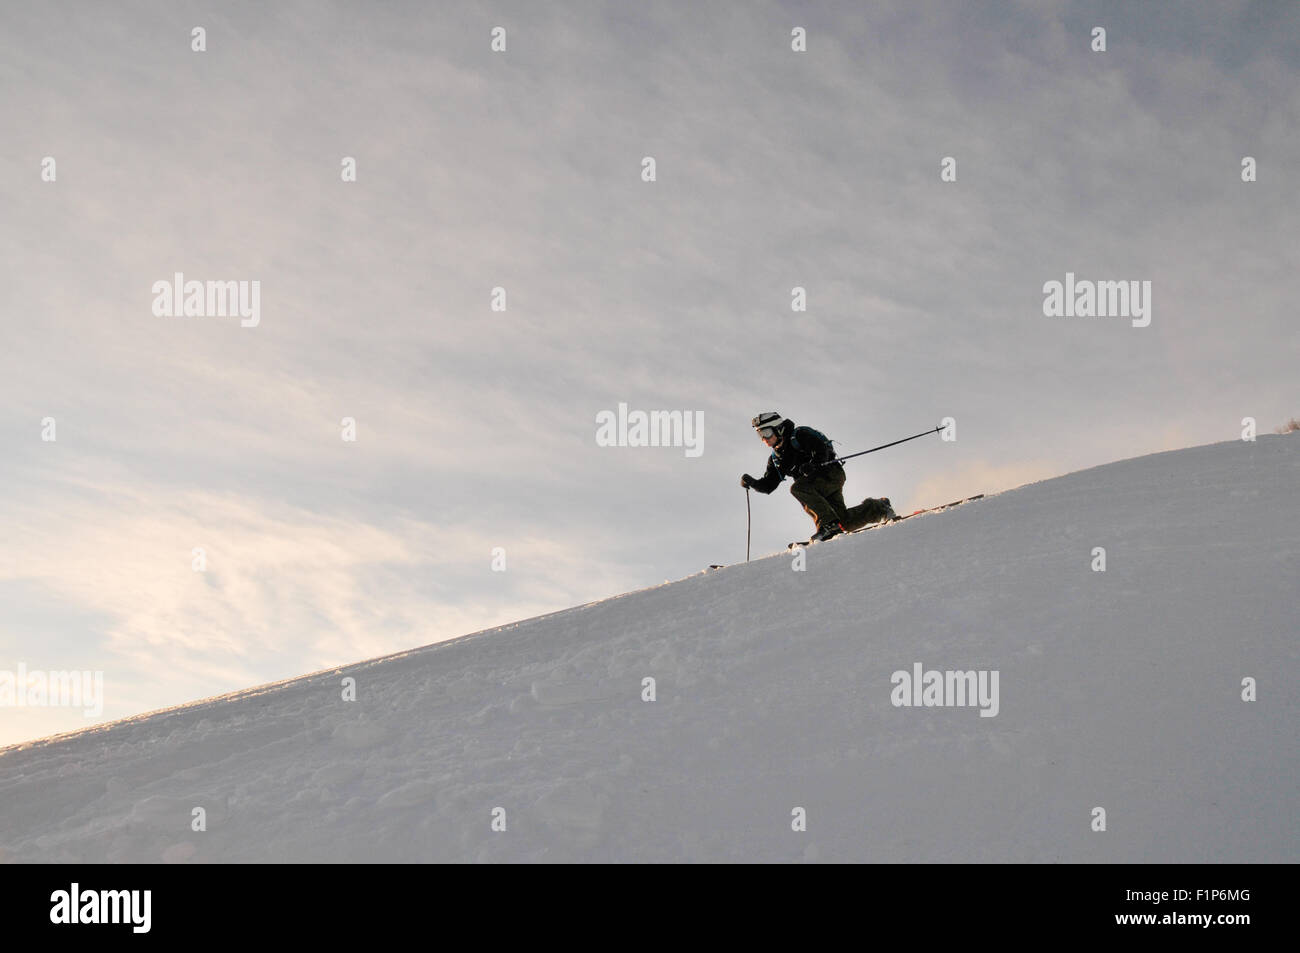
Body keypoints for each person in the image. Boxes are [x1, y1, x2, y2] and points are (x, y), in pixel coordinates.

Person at [740, 412, 896, 542]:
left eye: (766, 433)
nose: (764, 439)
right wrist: (752, 482)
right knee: (844, 522)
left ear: (778, 428)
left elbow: (820, 449)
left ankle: (828, 526)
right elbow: (768, 485)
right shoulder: (776, 458)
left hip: (830, 474)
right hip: (817, 488)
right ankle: (880, 508)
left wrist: (814, 463)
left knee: (798, 488)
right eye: (760, 435)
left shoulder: (799, 435)